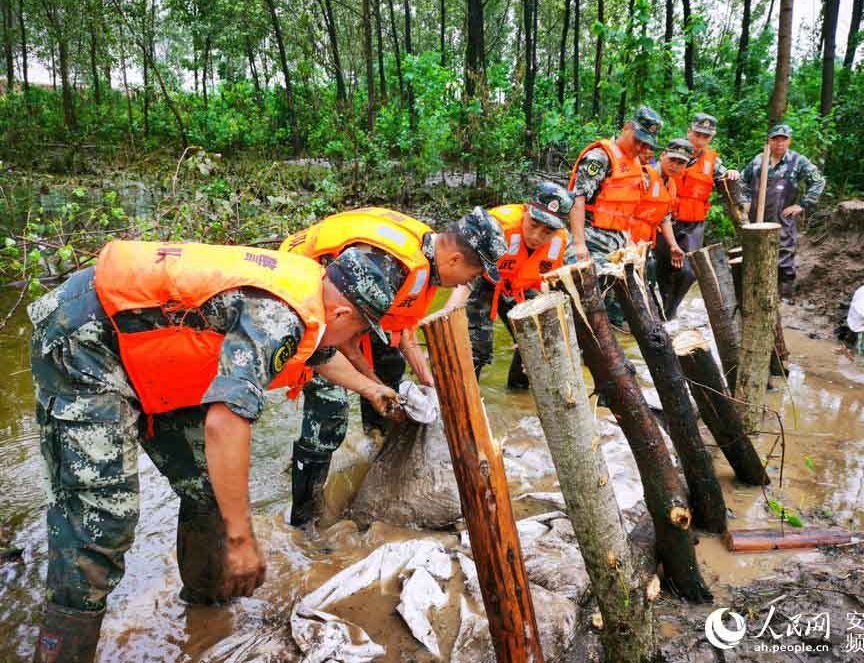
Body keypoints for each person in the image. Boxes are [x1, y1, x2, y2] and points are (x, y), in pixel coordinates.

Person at [29, 241, 401, 662]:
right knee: (101, 522)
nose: (355, 342)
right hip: (84, 344)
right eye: (358, 332)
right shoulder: (279, 315)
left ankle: (204, 611)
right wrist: (242, 540)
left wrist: (371, 388)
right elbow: (226, 422)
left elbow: (320, 351)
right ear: (342, 314)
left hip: (142, 348)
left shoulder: (312, 289)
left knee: (208, 488)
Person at [280, 207, 508, 527]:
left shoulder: (427, 260)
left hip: (346, 307)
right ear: (455, 259)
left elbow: (404, 328)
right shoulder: (387, 267)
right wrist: (373, 386)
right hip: (307, 296)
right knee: (329, 413)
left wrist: (431, 384)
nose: (470, 283)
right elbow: (342, 338)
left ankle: (369, 455)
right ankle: (304, 521)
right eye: (472, 276)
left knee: (389, 370)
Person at [445, 183, 573, 388]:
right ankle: (467, 397)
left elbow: (550, 287)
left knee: (536, 343)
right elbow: (464, 277)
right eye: (533, 225)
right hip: (483, 281)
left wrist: (536, 331)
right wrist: (448, 316)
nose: (536, 236)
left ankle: (518, 394)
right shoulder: (497, 227)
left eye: (547, 231)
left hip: (519, 286)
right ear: (525, 210)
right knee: (476, 349)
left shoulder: (561, 242)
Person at [567, 106, 663, 325]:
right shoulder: (600, 157)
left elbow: (627, 208)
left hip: (618, 241)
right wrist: (579, 244)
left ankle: (616, 336)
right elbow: (577, 199)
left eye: (647, 144)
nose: (641, 147)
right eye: (638, 140)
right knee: (595, 290)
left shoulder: (637, 164)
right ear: (627, 128)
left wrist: (629, 241)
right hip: (590, 238)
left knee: (637, 281)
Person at [657, 113, 743, 320]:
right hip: (664, 221)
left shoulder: (713, 162)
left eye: (706, 137)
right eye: (697, 134)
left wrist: (732, 173)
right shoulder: (673, 153)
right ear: (689, 132)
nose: (700, 140)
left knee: (688, 272)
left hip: (693, 225)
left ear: (710, 138)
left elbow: (728, 183)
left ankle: (670, 311)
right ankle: (662, 310)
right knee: (661, 268)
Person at [741, 124, 826, 298]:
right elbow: (742, 181)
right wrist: (746, 201)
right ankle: (755, 294)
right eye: (775, 139)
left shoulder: (797, 161)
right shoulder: (759, 160)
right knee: (754, 255)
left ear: (789, 141)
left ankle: (785, 296)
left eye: (783, 139)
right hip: (756, 218)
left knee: (784, 256)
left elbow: (818, 182)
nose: (779, 143)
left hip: (782, 217)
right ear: (769, 141)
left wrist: (802, 204)